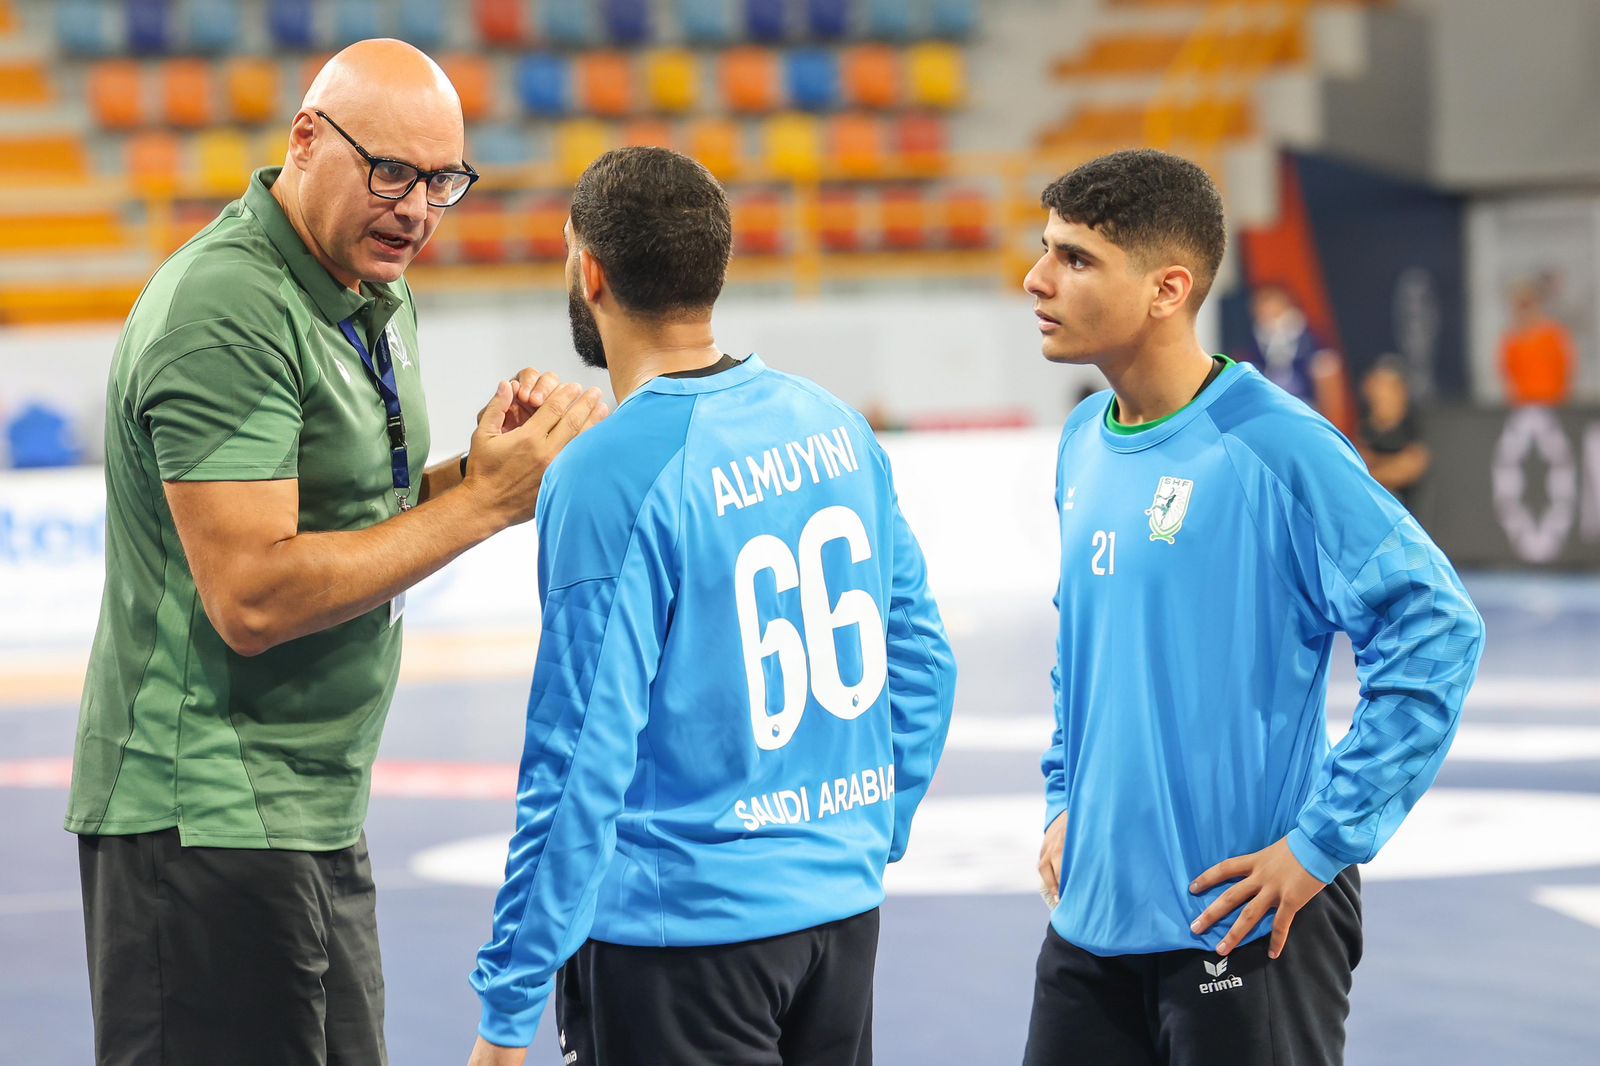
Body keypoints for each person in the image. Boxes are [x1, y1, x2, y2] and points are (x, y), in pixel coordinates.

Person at [65, 40, 605, 1066]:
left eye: (443, 181)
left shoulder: (368, 285)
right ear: (306, 140)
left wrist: (484, 471)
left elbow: (362, 514)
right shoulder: (226, 309)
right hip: (202, 819)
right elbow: (254, 597)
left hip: (309, 810)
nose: (417, 209)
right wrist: (484, 503)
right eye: (391, 172)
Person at [466, 147, 957, 1066]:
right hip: (838, 917)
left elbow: (578, 759)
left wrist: (507, 1008)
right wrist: (861, 837)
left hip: (679, 935)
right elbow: (925, 663)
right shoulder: (833, 424)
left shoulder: (608, 473)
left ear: (590, 272)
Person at [1021, 149, 1483, 1066]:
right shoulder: (1081, 440)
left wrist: (1320, 843)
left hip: (1241, 926)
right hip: (1091, 922)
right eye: (1046, 250)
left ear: (1167, 289)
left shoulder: (1279, 447)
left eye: (1074, 259)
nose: (1036, 279)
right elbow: (1086, 650)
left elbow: (1436, 628)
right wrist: (1068, 797)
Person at [1240, 282, 1341, 413]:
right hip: (1269, 409)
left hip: (1306, 408)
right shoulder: (1253, 347)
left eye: (1274, 311)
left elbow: (1329, 386)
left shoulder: (1312, 341)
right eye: (1262, 312)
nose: (1267, 316)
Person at [1357, 356, 1430, 512]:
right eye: (1379, 387)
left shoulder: (1411, 431)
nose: (1383, 396)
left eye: (1390, 388)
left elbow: (1410, 466)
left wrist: (1366, 474)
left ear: (1402, 392)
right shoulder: (1361, 429)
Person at [1498, 278, 1577, 406]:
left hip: (1553, 402)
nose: (1524, 311)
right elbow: (1508, 371)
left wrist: (1560, 397)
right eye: (1520, 306)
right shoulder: (1511, 340)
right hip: (1523, 403)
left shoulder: (1553, 335)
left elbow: (1564, 368)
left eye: (1527, 304)